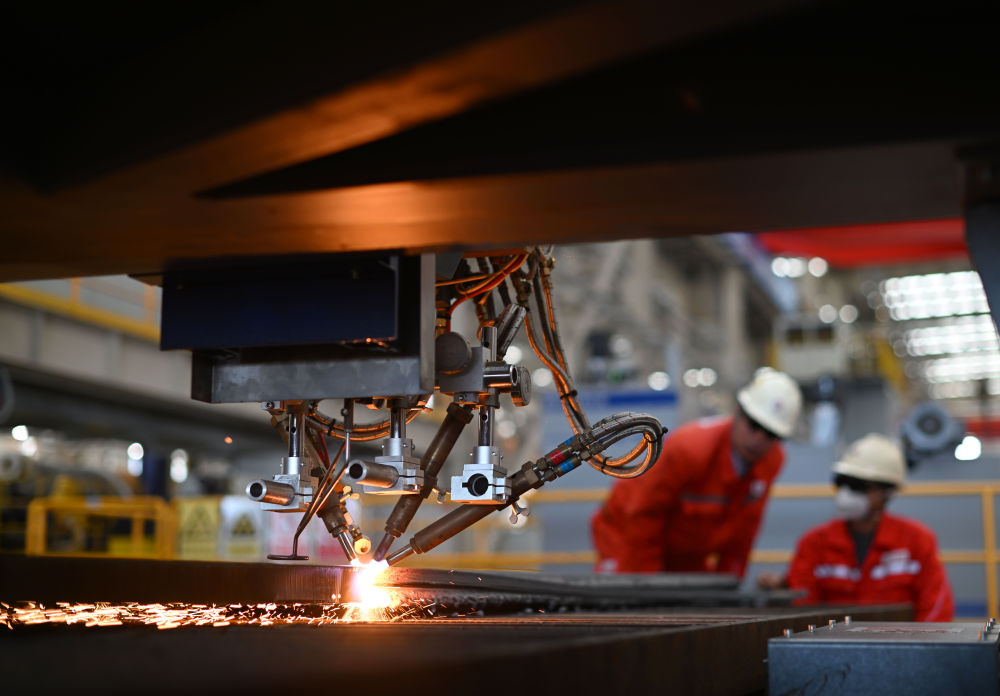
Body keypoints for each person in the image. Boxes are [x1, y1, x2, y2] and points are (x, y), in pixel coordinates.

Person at [591, 367, 802, 577]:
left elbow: (746, 528)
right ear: (738, 412)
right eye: (754, 425)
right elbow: (643, 516)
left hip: (686, 551)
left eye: (771, 434)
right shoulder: (689, 450)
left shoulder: (771, 461)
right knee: (628, 594)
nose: (758, 439)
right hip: (625, 533)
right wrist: (647, 583)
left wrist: (730, 582)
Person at [766, 433, 953, 621]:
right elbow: (802, 611)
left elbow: (936, 611)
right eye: (841, 482)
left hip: (900, 640)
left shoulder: (917, 542)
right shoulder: (814, 543)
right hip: (832, 640)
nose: (846, 493)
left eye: (857, 486)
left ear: (887, 492)